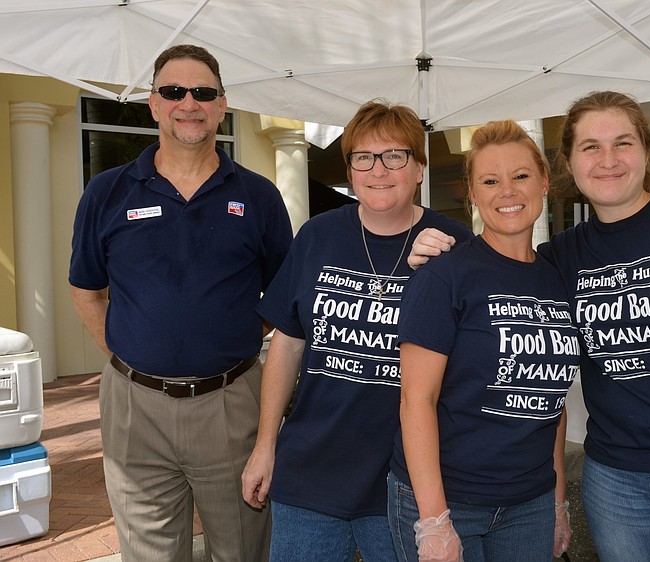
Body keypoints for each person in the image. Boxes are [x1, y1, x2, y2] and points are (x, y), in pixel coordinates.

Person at [408, 91, 650, 562]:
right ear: (570, 165)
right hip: (617, 478)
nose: (608, 160)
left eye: (623, 143)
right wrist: (436, 248)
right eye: (591, 147)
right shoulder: (559, 258)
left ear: (645, 151)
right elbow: (498, 264)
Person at [69, 44, 292, 562]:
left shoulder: (258, 197)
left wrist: (233, 334)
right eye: (173, 91)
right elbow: (86, 288)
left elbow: (282, 296)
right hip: (133, 409)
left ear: (221, 105)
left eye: (203, 92)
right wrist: (126, 355)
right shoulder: (107, 192)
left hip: (231, 404)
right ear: (152, 103)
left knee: (241, 550)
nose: (188, 103)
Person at [241, 99, 471, 562]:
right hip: (311, 474)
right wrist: (265, 446)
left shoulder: (455, 246)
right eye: (363, 157)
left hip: (406, 482)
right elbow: (287, 344)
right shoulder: (317, 236)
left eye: (395, 155)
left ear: (420, 167)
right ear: (350, 168)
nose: (378, 169)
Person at [387, 120, 579, 562]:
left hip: (530, 503)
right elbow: (416, 399)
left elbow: (549, 396)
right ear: (472, 193)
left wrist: (557, 501)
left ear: (545, 182)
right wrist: (433, 520)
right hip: (449, 499)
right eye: (490, 181)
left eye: (521, 176)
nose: (506, 191)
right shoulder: (445, 275)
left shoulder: (558, 278)